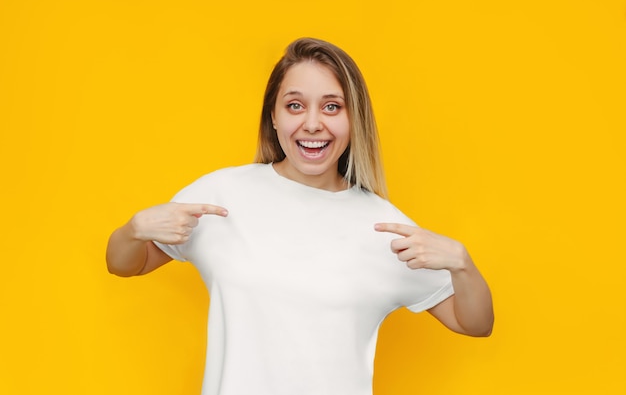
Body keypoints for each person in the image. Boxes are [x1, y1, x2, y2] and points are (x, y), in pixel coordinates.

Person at [106, 37, 494, 395]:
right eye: (295, 105)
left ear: (353, 119)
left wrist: (463, 264)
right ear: (273, 118)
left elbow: (475, 324)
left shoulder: (385, 228)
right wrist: (134, 230)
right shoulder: (221, 196)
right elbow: (125, 265)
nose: (312, 124)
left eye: (331, 106)